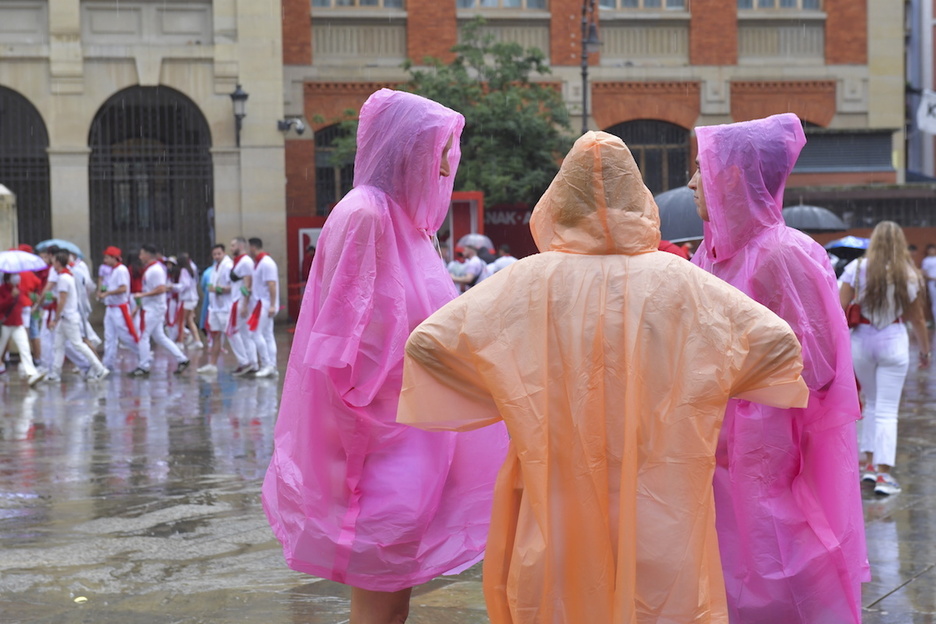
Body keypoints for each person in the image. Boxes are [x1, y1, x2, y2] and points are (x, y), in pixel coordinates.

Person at [397, 131, 810, 624]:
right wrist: (705, 385)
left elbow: (428, 344)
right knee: (657, 603)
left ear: (560, 199)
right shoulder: (681, 281)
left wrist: (509, 393)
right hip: (661, 488)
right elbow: (778, 343)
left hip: (555, 487)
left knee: (556, 600)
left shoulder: (524, 281)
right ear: (637, 197)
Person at [262, 88, 509, 624]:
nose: (448, 162)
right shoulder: (366, 215)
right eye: (440, 148)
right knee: (381, 582)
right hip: (382, 435)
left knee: (393, 586)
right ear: (407, 149)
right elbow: (343, 341)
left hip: (415, 429)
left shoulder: (408, 225)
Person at [689, 113, 869, 623]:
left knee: (779, 553)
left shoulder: (784, 253)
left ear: (732, 176)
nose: (691, 182)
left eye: (700, 168)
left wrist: (741, 378)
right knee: (727, 558)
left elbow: (820, 365)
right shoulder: (711, 252)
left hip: (767, 444)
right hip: (714, 442)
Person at [840, 221, 930, 496]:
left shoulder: (856, 269)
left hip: (862, 340)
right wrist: (925, 351)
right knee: (888, 409)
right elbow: (917, 318)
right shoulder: (910, 274)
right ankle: (884, 474)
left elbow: (837, 307)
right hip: (893, 337)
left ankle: (868, 466)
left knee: (871, 403)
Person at [48, 250, 109, 382]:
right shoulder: (67, 276)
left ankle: (99, 368)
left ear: (58, 262)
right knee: (58, 345)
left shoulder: (64, 278)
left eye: (53, 261)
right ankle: (55, 373)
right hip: (66, 318)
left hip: (68, 318)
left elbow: (62, 301)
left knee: (78, 345)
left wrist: (55, 319)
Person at [130, 244, 190, 376]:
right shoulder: (151, 269)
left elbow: (161, 288)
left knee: (143, 335)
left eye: (142, 254)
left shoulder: (155, 270)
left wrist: (143, 296)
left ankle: (144, 365)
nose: (140, 257)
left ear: (147, 255)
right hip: (152, 307)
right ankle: (182, 359)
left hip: (153, 308)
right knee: (160, 337)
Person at [96, 246, 139, 372]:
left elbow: (123, 288)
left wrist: (107, 293)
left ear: (114, 258)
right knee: (109, 337)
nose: (105, 260)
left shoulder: (121, 270)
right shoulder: (113, 270)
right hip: (111, 308)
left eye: (107, 257)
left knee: (125, 335)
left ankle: (143, 354)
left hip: (119, 308)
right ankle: (107, 363)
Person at [0, 272, 44, 386]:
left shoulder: (19, 289)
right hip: (5, 324)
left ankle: (31, 372)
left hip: (17, 323)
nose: (17, 277)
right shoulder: (3, 289)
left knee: (24, 348)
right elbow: (1, 305)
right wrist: (11, 296)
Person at [198, 244, 233, 375]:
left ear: (223, 253)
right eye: (214, 254)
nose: (217, 256)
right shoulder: (213, 269)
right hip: (215, 307)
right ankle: (212, 364)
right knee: (215, 335)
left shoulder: (229, 266)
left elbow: (233, 286)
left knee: (234, 337)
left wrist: (219, 289)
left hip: (226, 307)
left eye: (219, 253)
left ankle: (247, 362)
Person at [246, 238, 279, 378]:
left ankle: (267, 364)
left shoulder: (266, 263)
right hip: (262, 303)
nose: (248, 251)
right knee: (267, 335)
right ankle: (272, 365)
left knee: (256, 334)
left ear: (254, 247)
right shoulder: (258, 263)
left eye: (249, 248)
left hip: (264, 304)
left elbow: (272, 284)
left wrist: (272, 305)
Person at [228, 237, 259, 376]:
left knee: (231, 332)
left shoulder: (245, 262)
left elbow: (248, 283)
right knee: (246, 334)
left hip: (239, 301)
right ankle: (252, 363)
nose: (231, 248)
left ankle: (244, 361)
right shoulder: (239, 262)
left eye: (233, 245)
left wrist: (245, 304)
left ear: (240, 246)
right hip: (238, 299)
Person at [172, 252, 203, 350]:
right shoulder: (192, 269)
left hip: (186, 299)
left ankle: (180, 342)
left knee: (181, 321)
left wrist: (173, 287)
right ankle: (198, 341)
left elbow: (185, 285)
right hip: (193, 298)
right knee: (190, 321)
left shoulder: (184, 271)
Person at [921, 243, 936, 321]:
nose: (932, 251)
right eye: (930, 250)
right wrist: (933, 279)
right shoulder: (926, 261)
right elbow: (924, 273)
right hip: (932, 283)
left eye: (933, 249)